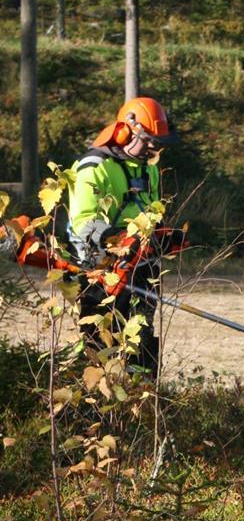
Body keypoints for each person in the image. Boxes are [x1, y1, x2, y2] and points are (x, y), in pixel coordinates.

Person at [68, 96, 184, 374]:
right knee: (102, 341)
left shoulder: (149, 168)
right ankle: (97, 407)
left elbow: (151, 212)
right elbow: (83, 220)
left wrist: (162, 236)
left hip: (142, 267)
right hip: (101, 271)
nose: (154, 147)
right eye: (148, 140)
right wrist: (119, 241)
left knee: (141, 338)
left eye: (158, 142)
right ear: (126, 130)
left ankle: (143, 402)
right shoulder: (94, 167)